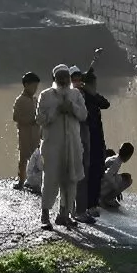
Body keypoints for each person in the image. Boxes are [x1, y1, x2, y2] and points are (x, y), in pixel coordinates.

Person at [35, 64, 87, 230]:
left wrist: (71, 107)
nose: (64, 80)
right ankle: (45, 215)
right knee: (50, 179)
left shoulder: (76, 94)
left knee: (71, 180)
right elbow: (40, 119)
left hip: (72, 145)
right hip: (52, 146)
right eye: (60, 77)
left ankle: (64, 215)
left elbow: (84, 115)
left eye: (66, 77)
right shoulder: (46, 96)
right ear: (54, 79)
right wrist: (56, 111)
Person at [78, 66, 110, 220]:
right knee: (88, 174)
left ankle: (93, 204)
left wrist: (93, 93)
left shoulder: (92, 97)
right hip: (87, 140)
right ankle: (87, 206)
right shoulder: (82, 98)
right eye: (94, 85)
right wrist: (90, 94)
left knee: (97, 171)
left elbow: (106, 103)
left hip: (97, 140)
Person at [12, 72, 41, 190]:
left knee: (37, 158)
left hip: (36, 133)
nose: (35, 89)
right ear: (26, 85)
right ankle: (21, 180)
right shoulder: (20, 100)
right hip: (25, 134)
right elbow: (16, 117)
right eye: (33, 86)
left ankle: (35, 181)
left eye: (36, 87)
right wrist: (31, 121)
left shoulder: (35, 100)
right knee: (24, 158)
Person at [99, 142, 134, 208]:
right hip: (100, 186)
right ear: (128, 156)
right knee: (128, 180)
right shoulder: (117, 162)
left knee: (126, 176)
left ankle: (107, 197)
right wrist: (116, 188)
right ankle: (107, 198)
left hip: (99, 183)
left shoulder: (115, 158)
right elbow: (107, 175)